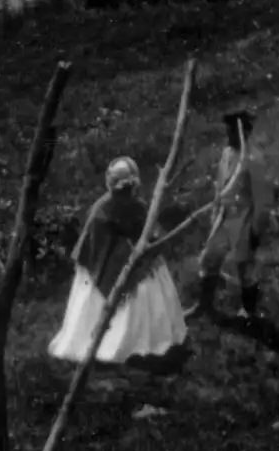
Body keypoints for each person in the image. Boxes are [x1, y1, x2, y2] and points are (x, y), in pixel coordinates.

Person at [47, 157, 188, 368]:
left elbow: (150, 234)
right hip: (106, 270)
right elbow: (95, 249)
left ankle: (139, 342)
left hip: (136, 264)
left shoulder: (137, 208)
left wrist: (143, 250)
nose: (128, 193)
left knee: (145, 285)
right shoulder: (101, 212)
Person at [195, 110, 267, 320]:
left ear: (244, 132)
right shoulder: (227, 153)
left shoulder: (254, 158)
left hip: (243, 220)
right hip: (223, 218)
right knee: (209, 258)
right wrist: (215, 214)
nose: (229, 135)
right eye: (228, 131)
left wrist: (255, 230)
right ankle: (204, 305)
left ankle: (249, 312)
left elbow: (262, 200)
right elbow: (220, 185)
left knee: (244, 267)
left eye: (233, 131)